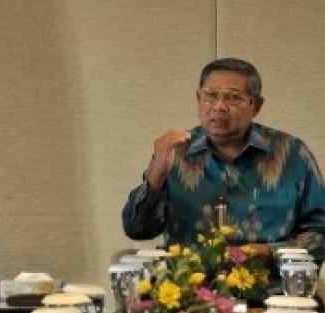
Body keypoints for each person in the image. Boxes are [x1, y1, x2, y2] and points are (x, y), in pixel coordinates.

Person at [122, 57, 325, 264]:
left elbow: (320, 233)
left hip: (269, 289)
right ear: (198, 98)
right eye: (210, 95)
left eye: (233, 98)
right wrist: (156, 174)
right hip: (188, 289)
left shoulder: (291, 154)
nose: (219, 106)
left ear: (255, 105)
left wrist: (270, 253)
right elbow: (137, 230)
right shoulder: (176, 152)